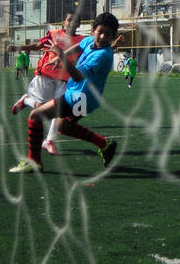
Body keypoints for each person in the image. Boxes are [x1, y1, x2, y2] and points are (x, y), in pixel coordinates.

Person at [10, 12, 121, 174]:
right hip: (83, 96)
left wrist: (60, 55)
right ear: (93, 30)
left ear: (113, 36)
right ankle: (105, 144)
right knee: (63, 127)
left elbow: (76, 76)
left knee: (35, 116)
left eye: (108, 34)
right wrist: (60, 57)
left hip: (79, 97)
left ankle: (34, 162)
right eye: (100, 32)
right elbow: (79, 46)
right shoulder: (90, 41)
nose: (103, 36)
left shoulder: (102, 56)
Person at [10, 14, 87, 156]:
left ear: (79, 25)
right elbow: (38, 46)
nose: (72, 23)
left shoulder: (82, 40)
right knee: (41, 108)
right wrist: (18, 47)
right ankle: (27, 100)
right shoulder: (53, 34)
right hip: (46, 74)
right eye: (69, 19)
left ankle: (49, 140)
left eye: (75, 21)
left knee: (59, 111)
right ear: (64, 22)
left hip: (65, 79)